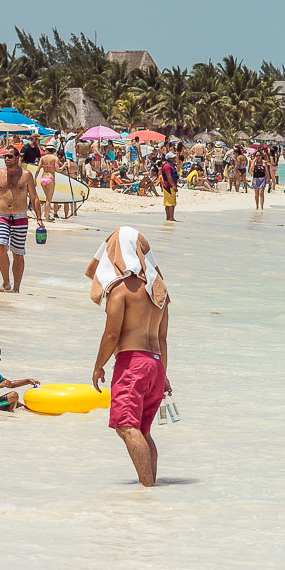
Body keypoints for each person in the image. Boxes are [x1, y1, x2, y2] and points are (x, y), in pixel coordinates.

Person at [86, 227, 171, 488]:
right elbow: (163, 339)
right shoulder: (159, 292)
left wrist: (98, 366)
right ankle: (150, 488)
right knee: (143, 431)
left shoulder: (120, 291)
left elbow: (112, 335)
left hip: (132, 364)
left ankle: (146, 488)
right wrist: (164, 375)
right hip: (155, 365)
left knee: (126, 427)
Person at [0, 147, 44, 293]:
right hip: (2, 216)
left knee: (18, 255)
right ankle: (6, 282)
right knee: (0, 246)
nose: (7, 159)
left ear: (18, 157)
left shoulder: (26, 175)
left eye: (10, 156)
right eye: (5, 156)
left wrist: (39, 218)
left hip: (20, 218)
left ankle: (16, 287)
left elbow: (34, 197)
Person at [0, 340, 39, 412]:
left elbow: (10, 384)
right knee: (13, 396)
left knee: (24, 407)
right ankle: (10, 413)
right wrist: (0, 385)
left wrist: (27, 381)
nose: (0, 359)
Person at [34, 148, 59, 221]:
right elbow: (58, 170)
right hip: (50, 179)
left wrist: (35, 179)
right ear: (53, 151)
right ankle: (47, 218)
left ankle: (45, 215)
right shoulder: (55, 158)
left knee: (46, 199)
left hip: (43, 178)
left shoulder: (42, 158)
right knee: (48, 199)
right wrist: (64, 166)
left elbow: (38, 170)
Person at [161, 152, 179, 221]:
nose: (174, 159)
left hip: (168, 186)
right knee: (171, 203)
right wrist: (173, 186)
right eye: (173, 158)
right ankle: (171, 217)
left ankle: (168, 217)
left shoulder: (170, 165)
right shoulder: (168, 166)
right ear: (169, 159)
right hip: (169, 186)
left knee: (168, 203)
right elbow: (169, 176)